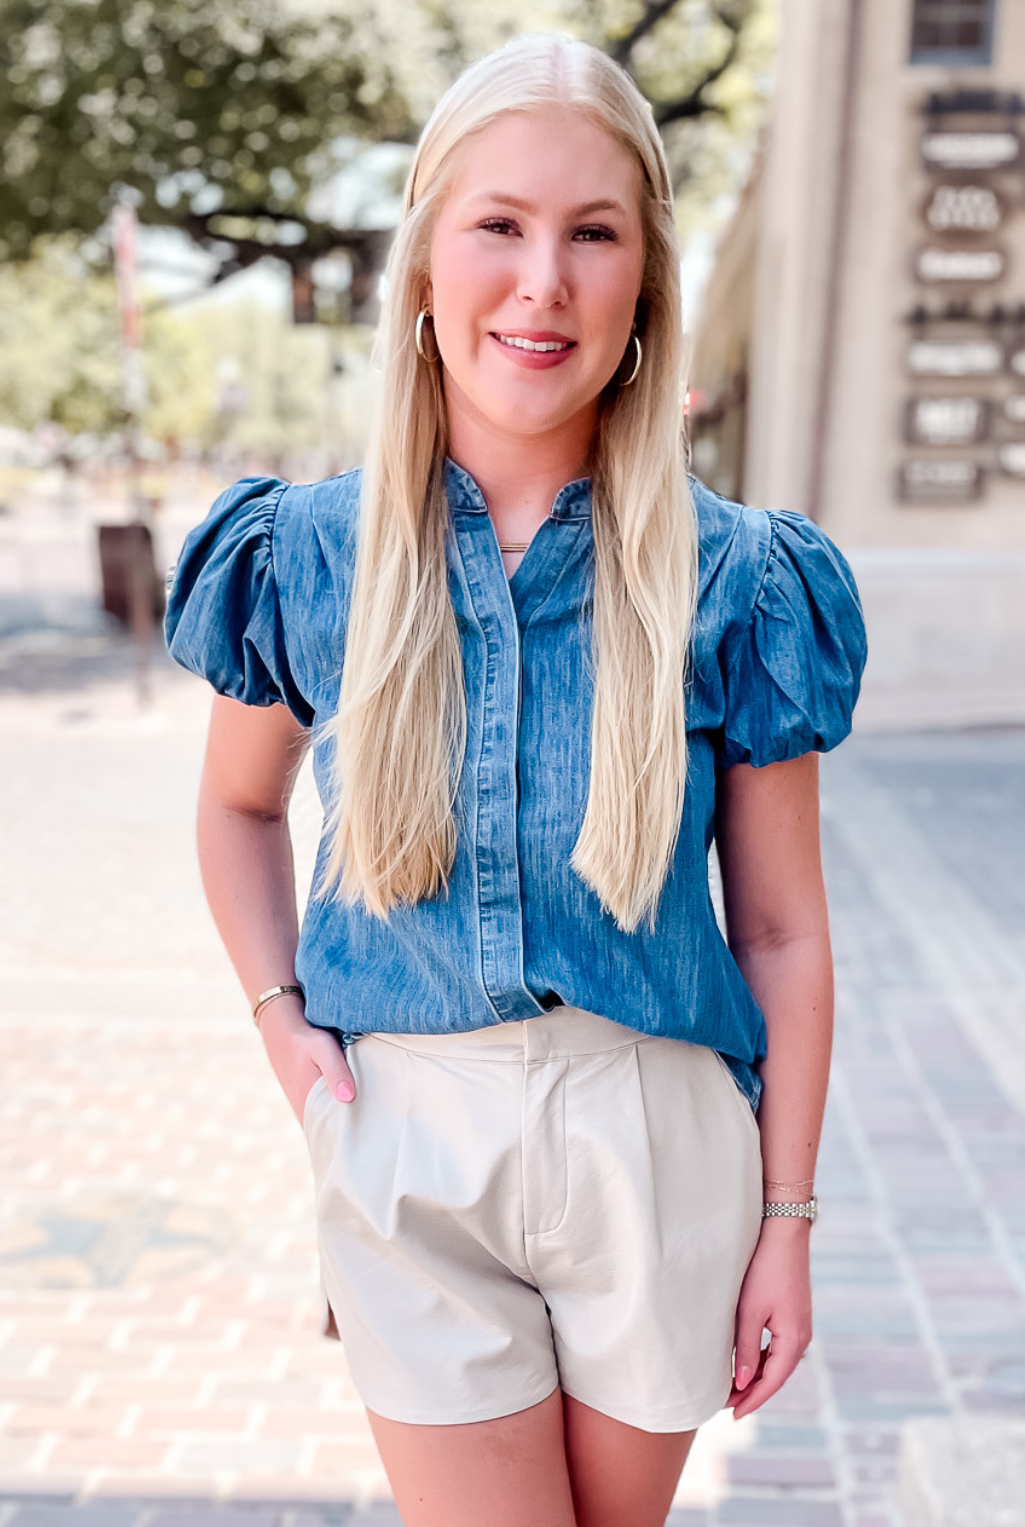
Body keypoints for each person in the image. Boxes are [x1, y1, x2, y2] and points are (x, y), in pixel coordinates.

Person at [164, 32, 867, 1527]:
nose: (542, 280)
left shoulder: (736, 576)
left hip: (660, 1138)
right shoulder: (313, 553)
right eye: (499, 224)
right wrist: (291, 1041)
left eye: (592, 233)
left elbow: (788, 931)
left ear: (643, 283)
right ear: (425, 259)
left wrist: (789, 1221)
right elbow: (235, 809)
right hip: (413, 1132)